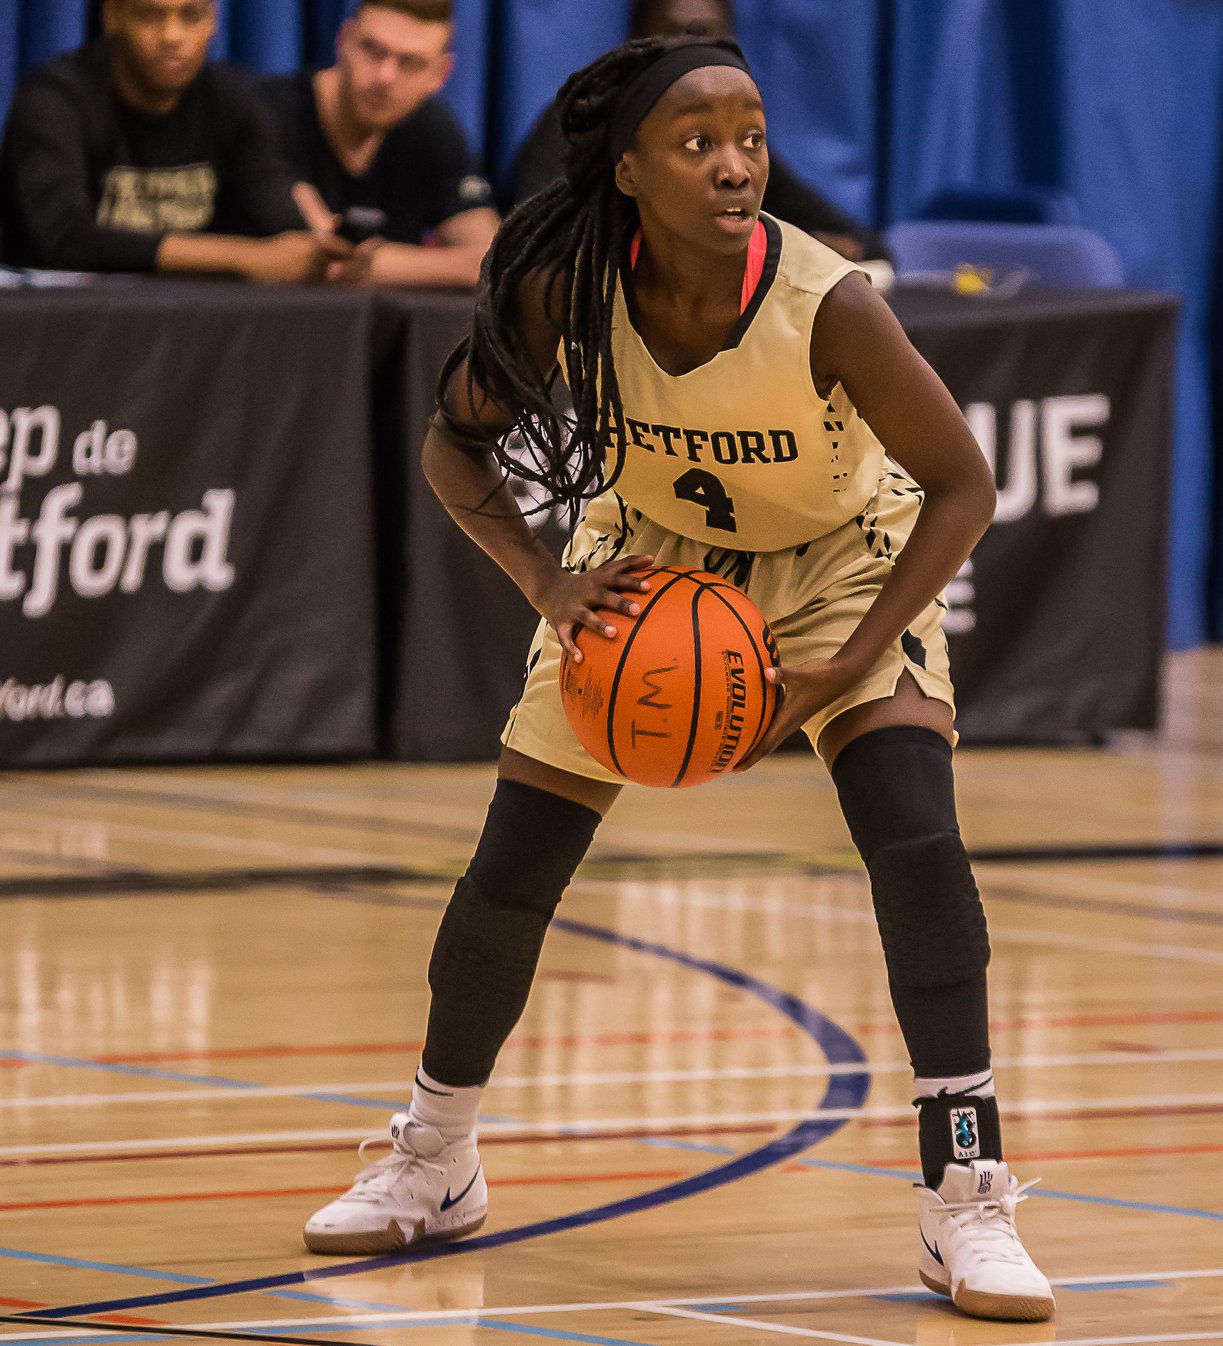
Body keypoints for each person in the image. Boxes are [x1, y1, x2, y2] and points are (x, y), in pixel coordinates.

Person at [300, 36, 1055, 1325]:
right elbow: (454, 447)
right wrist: (549, 586)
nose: (734, 165)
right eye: (697, 142)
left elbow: (965, 483)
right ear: (631, 171)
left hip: (839, 556)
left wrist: (856, 660)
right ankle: (437, 1154)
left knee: (918, 841)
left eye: (750, 136)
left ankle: (965, 1195)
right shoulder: (566, 286)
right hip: (647, 565)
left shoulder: (831, 303)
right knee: (512, 864)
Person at [0, 0, 355, 280]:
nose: (172, 37)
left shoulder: (233, 98)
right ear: (113, 16)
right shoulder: (56, 97)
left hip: (189, 326)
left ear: (213, 20)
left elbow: (273, 210)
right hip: (60, 326)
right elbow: (63, 237)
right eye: (151, 15)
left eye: (191, 15)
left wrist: (315, 243)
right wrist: (246, 258)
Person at [506, 0, 888, 263]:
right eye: (679, 36)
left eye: (709, 38)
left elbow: (860, 242)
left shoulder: (736, 148)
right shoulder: (581, 125)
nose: (695, 55)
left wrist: (800, 249)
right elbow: (531, 244)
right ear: (635, 45)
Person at [260, 0, 498, 289]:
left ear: (441, 74)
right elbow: (325, 255)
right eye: (372, 50)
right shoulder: (268, 113)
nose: (385, 77)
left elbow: (496, 262)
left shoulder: (434, 129)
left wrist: (372, 264)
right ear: (343, 40)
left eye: (410, 62)